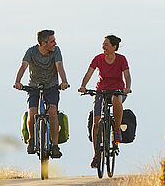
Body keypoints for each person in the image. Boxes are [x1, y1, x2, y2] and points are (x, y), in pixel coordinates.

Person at [13, 29, 70, 158]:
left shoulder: (56, 51)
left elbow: (59, 66)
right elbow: (23, 66)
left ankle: (55, 146)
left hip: (52, 87)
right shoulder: (31, 51)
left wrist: (64, 82)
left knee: (53, 112)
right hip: (34, 87)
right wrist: (17, 81)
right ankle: (32, 140)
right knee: (32, 112)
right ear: (43, 43)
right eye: (52, 41)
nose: (55, 43)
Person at [78, 34, 132, 168]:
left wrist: (127, 87)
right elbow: (89, 73)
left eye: (106, 44)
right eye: (103, 44)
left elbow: (127, 75)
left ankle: (117, 130)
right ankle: (97, 155)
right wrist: (83, 86)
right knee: (96, 122)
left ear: (114, 47)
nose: (103, 47)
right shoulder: (98, 58)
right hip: (101, 91)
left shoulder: (121, 59)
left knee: (116, 100)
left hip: (117, 91)